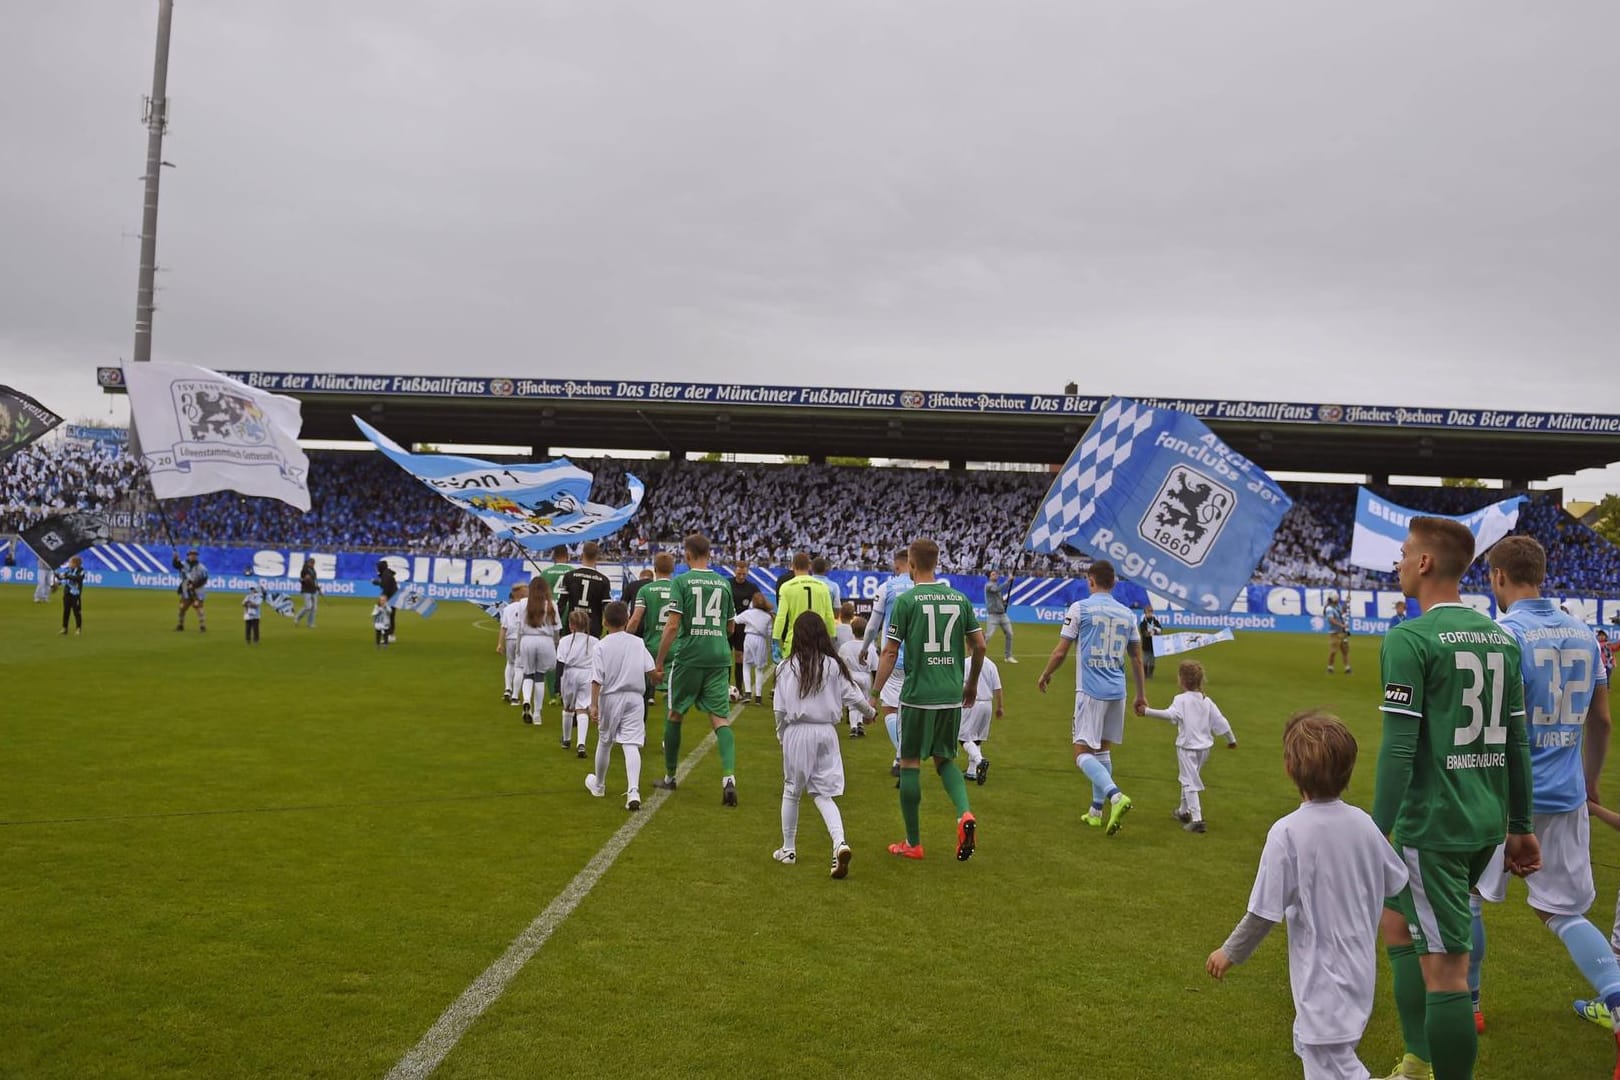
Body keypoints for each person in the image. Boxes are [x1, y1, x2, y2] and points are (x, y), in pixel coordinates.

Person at [1373, 517, 1538, 1080]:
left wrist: (1373, 835)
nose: (1397, 563)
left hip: (1434, 826)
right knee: (1396, 925)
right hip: (1484, 819)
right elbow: (1518, 739)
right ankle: (1418, 1060)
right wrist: (1520, 823)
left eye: (1402, 554)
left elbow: (1397, 749)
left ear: (1423, 564)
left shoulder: (1409, 638)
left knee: (1447, 968)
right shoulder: (1499, 636)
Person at [1470, 539, 1619, 1057]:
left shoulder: (1503, 636)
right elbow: (1601, 720)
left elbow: (1489, 726)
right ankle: (1618, 1002)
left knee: (1467, 901)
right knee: (1564, 914)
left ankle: (1469, 1005)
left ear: (1498, 577)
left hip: (1504, 795)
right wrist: (1591, 778)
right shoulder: (1584, 633)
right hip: (1567, 794)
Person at [1206, 711, 1409, 1080]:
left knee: (1328, 1063)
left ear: (1289, 768)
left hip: (1322, 978)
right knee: (1316, 1052)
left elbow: (1263, 914)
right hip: (1359, 970)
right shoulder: (1364, 824)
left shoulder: (1287, 833)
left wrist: (1229, 952)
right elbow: (1398, 881)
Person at [870, 537, 986, 862]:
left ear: (911, 563)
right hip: (950, 694)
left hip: (919, 694)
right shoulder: (960, 599)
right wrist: (972, 684)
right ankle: (964, 813)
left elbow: (890, 651)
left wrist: (875, 693)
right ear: (936, 562)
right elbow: (980, 645)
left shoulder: (906, 601)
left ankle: (913, 842)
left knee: (909, 762)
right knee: (944, 759)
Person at [1036, 560, 1148, 835]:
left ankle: (1116, 796)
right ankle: (1096, 812)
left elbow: (1061, 651)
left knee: (1081, 752)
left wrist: (1046, 673)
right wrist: (1141, 695)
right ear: (1115, 583)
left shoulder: (1080, 608)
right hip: (1117, 690)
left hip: (1090, 690)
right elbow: (1137, 658)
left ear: (1090, 581)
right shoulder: (1127, 615)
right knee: (1103, 751)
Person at [772, 610, 875, 878]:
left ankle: (789, 848)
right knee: (823, 793)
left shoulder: (786, 667)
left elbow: (780, 709)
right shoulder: (832, 665)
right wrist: (870, 713)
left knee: (792, 790)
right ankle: (839, 843)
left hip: (798, 731)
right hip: (827, 733)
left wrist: (781, 733)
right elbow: (854, 696)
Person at [654, 534, 740, 805]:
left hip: (690, 655)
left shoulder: (681, 581)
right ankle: (728, 777)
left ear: (687, 555)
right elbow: (731, 626)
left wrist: (658, 661)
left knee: (676, 712)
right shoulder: (723, 583)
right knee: (720, 718)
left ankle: (669, 777)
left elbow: (672, 625)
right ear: (710, 554)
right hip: (718, 655)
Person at [1143, 661, 1237, 834]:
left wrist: (1147, 711)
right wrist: (1231, 739)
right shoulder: (1206, 700)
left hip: (1187, 747)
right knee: (1188, 778)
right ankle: (1183, 811)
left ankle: (1197, 819)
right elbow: (1221, 721)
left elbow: (1169, 715)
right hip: (1204, 749)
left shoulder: (1181, 700)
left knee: (1189, 781)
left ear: (1182, 679)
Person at [586, 601, 654, 810]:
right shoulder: (638, 643)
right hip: (635, 698)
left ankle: (599, 785)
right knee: (631, 743)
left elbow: (597, 678)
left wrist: (594, 705)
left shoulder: (601, 645)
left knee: (605, 741)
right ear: (627, 620)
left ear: (605, 622)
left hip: (611, 697)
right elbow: (650, 670)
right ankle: (633, 790)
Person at [862, 549, 913, 775]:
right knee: (908, 710)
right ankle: (899, 757)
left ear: (896, 566)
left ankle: (901, 754)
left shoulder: (887, 588)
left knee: (890, 709)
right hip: (917, 660)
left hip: (893, 658)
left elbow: (873, 625)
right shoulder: (920, 589)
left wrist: (864, 648)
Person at [629, 553, 678, 707]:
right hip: (674, 646)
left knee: (641, 691)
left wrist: (625, 636)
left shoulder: (645, 590)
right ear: (673, 569)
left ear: (654, 569)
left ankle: (639, 725)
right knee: (673, 695)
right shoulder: (680, 589)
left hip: (650, 646)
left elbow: (635, 619)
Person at [557, 609, 601, 758]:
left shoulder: (565, 641)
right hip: (588, 674)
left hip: (570, 674)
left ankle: (566, 739)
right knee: (582, 708)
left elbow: (560, 663)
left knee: (568, 707)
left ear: (571, 625)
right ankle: (581, 743)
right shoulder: (595, 641)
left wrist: (557, 684)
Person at [516, 578, 561, 725]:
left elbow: (519, 628)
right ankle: (537, 714)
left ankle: (527, 700)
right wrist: (556, 645)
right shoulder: (551, 604)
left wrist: (518, 647)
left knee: (528, 673)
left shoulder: (523, 603)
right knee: (540, 675)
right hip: (545, 641)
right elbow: (556, 630)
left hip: (527, 639)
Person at [774, 553, 835, 657]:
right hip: (818, 639)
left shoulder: (786, 587)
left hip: (795, 638)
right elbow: (829, 615)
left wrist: (775, 639)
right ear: (809, 566)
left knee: (793, 671)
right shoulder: (823, 587)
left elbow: (781, 616)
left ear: (793, 566)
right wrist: (832, 636)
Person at [959, 655, 1003, 785]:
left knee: (964, 738)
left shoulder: (966, 662)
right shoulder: (991, 664)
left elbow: (960, 683)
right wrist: (1000, 707)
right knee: (976, 738)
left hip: (972, 703)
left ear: (968, 644)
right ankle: (971, 772)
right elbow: (998, 688)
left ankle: (980, 761)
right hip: (987, 705)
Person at [729, 559, 769, 698]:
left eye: (744, 574)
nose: (741, 577)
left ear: (747, 572)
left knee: (739, 657)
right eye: (739, 574)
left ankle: (739, 688)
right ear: (735, 571)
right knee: (724, 656)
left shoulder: (752, 587)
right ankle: (725, 687)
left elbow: (761, 601)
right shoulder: (727, 584)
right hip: (728, 623)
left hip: (743, 626)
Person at [560, 541, 613, 638]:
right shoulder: (603, 580)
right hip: (593, 628)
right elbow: (607, 609)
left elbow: (561, 604)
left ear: (582, 554)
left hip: (573, 626)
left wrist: (558, 627)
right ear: (597, 556)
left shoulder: (569, 576)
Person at [735, 593, 775, 705]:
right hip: (761, 641)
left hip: (749, 638)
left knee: (746, 666)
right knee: (759, 668)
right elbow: (769, 633)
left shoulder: (748, 613)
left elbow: (736, 620)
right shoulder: (767, 617)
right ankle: (758, 696)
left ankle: (747, 693)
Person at [838, 615, 873, 736]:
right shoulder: (870, 646)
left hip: (851, 675)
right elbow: (874, 665)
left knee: (853, 702)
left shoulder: (845, 646)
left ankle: (854, 726)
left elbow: (840, 662)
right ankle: (859, 723)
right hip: (865, 676)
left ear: (852, 630)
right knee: (863, 700)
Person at [495, 583, 529, 706]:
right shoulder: (527, 606)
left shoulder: (507, 608)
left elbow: (503, 627)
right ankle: (515, 696)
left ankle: (507, 689)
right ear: (520, 594)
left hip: (509, 639)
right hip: (522, 638)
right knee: (520, 667)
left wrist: (500, 643)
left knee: (510, 663)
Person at [983, 570, 1017, 664]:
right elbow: (996, 590)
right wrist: (1008, 581)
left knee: (1009, 633)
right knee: (988, 636)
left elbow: (998, 596)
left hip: (1002, 614)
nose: (995, 575)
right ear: (989, 577)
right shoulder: (989, 585)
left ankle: (1008, 656)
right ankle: (978, 653)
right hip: (993, 615)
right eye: (993, 574)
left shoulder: (996, 586)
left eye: (996, 574)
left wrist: (1003, 603)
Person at [174, 549, 209, 633]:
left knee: (198, 607)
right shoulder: (183, 564)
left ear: (196, 556)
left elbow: (204, 579)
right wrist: (175, 559)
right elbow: (176, 565)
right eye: (191, 554)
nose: (193, 556)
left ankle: (202, 626)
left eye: (194, 555)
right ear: (188, 555)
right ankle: (180, 625)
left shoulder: (201, 567)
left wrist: (194, 585)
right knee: (182, 607)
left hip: (198, 590)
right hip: (186, 589)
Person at [55, 555, 85, 636]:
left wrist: (67, 576)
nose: (69, 563)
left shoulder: (81, 570)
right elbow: (61, 577)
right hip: (67, 593)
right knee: (66, 611)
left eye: (71, 562)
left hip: (76, 594)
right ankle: (64, 628)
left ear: (75, 564)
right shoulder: (68, 570)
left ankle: (78, 628)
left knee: (76, 612)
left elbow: (78, 578)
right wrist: (56, 574)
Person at [372, 560, 399, 643]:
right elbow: (385, 584)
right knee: (390, 617)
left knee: (386, 618)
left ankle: (388, 636)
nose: (377, 569)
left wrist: (383, 599)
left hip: (390, 598)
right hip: (393, 598)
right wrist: (377, 582)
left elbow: (386, 587)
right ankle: (390, 635)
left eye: (378, 568)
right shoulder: (387, 574)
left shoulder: (386, 575)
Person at [1326, 594, 1352, 674]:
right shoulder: (1329, 609)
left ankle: (1347, 668)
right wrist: (1341, 625)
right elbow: (1331, 620)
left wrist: (1347, 601)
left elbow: (1343, 610)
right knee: (1333, 651)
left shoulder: (1338, 606)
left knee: (1345, 650)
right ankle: (1330, 667)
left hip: (1342, 633)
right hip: (1334, 633)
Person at [1138, 605, 1164, 680]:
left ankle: (1151, 674)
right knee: (1146, 659)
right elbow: (1143, 632)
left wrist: (1157, 631)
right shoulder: (1143, 623)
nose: (1149, 614)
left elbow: (1160, 629)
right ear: (1145, 613)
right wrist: (1149, 633)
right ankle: (1145, 674)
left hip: (1154, 644)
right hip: (1146, 644)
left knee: (1152, 660)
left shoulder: (1155, 621)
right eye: (1147, 613)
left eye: (1150, 612)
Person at [294, 557, 320, 628]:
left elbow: (315, 579)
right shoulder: (304, 570)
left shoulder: (313, 570)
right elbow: (301, 579)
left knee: (314, 608)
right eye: (312, 563)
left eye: (313, 563)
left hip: (313, 590)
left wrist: (317, 586)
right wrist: (305, 579)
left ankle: (310, 623)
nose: (313, 564)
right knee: (308, 606)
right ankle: (297, 617)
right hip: (306, 590)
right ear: (309, 563)